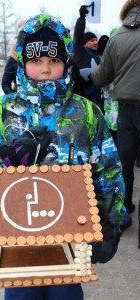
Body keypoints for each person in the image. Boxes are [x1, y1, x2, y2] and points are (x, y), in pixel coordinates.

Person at [0, 13, 130, 300]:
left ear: (65, 62)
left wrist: (110, 222)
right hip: (14, 234)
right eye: (36, 61)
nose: (46, 69)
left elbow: (108, 169)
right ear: (23, 63)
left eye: (54, 60)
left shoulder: (87, 112)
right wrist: (4, 157)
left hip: (69, 235)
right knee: (20, 296)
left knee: (66, 293)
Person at [91, 0, 140, 214]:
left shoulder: (116, 37)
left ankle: (126, 208)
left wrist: (89, 76)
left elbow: (102, 78)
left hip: (127, 110)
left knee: (125, 162)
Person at [73, 5, 102, 108]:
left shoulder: (98, 58)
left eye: (96, 40)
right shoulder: (80, 53)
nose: (95, 42)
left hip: (97, 102)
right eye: (92, 40)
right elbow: (77, 37)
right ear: (84, 43)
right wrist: (81, 18)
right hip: (83, 101)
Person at [1, 18, 26, 94]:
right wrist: (13, 98)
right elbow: (5, 83)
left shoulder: (39, 51)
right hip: (20, 98)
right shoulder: (13, 57)